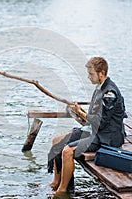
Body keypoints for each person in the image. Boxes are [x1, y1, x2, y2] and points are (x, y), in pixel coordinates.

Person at [48, 56, 127, 195]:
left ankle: (63, 190)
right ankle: (56, 182)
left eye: (91, 74)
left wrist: (80, 113)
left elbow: (100, 123)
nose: (88, 77)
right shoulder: (100, 88)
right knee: (57, 141)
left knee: (67, 151)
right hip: (95, 131)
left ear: (101, 73)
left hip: (107, 136)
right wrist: (82, 112)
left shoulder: (110, 93)